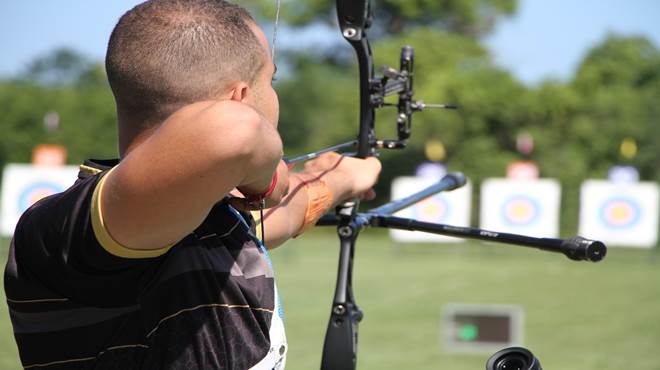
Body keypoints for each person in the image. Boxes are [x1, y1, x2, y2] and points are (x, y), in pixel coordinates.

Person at [4, 1, 381, 369]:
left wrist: (341, 178)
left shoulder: (197, 216)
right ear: (240, 98)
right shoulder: (74, 228)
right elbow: (238, 131)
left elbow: (275, 217)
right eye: (272, 80)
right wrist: (269, 179)